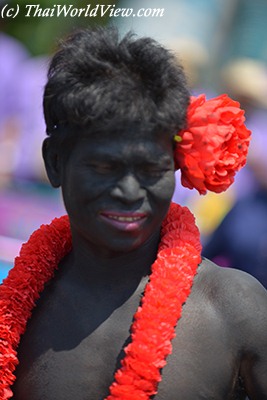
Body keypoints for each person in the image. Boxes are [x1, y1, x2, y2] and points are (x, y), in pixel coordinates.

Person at [0, 27, 266, 400]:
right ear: (55, 163)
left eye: (151, 171)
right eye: (105, 168)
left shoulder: (233, 307)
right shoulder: (12, 310)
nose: (129, 192)